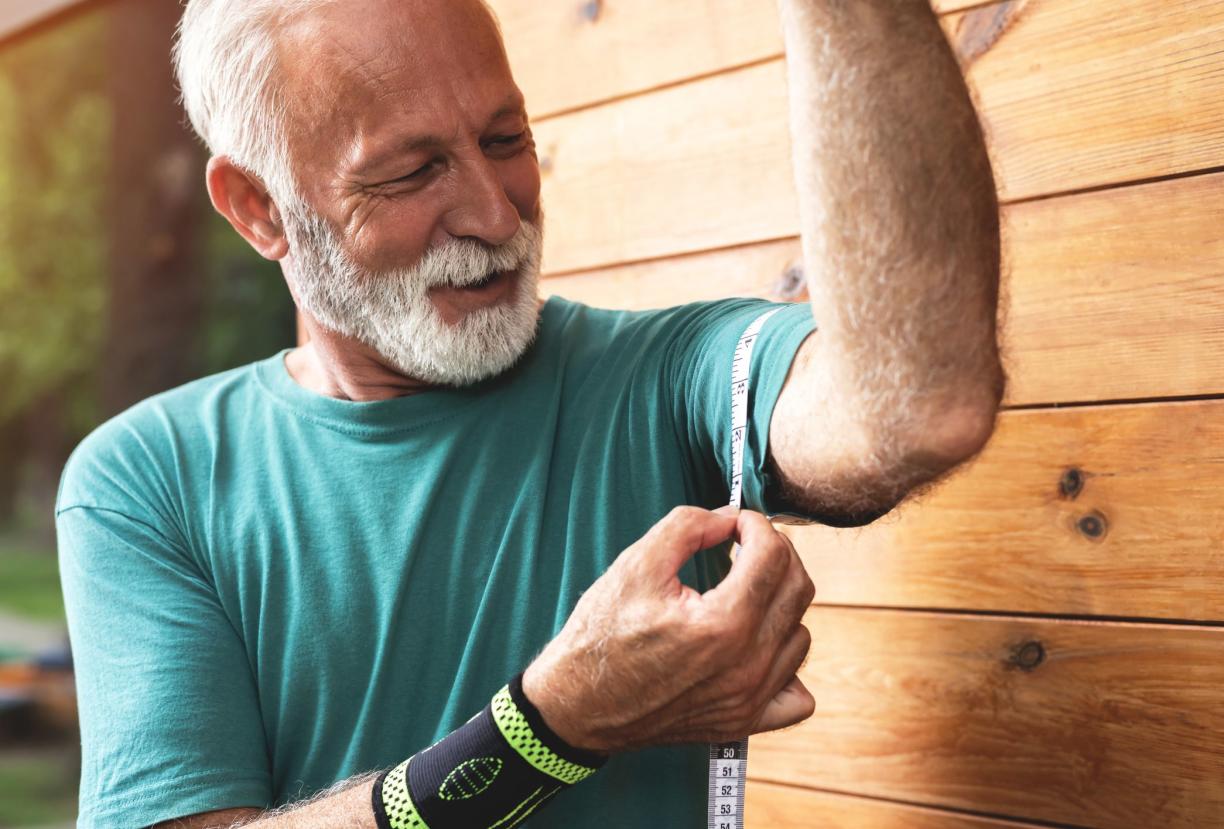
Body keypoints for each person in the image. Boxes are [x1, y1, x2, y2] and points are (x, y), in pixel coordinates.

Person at [55, 0, 1004, 826]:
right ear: (259, 209)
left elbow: (919, 403)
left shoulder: (660, 375)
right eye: (410, 172)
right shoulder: (149, 478)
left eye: (504, 139)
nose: (495, 215)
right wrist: (548, 727)